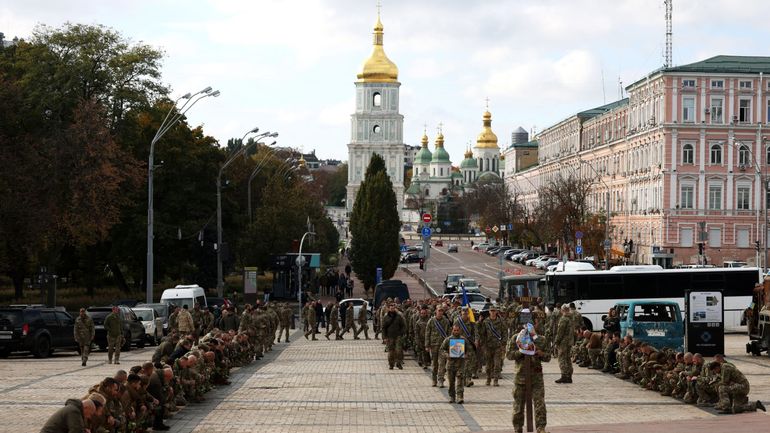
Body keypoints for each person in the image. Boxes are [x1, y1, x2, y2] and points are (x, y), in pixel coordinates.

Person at [507, 323, 551, 433]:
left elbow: (548, 357)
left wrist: (541, 354)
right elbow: (509, 355)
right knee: (518, 405)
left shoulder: (541, 340)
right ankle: (518, 428)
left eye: (531, 323)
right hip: (521, 376)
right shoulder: (516, 338)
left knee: (539, 404)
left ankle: (541, 428)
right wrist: (521, 351)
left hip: (536, 377)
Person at [478, 305, 506, 386]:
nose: (493, 312)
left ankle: (496, 380)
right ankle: (488, 378)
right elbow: (482, 333)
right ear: (489, 312)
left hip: (498, 346)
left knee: (497, 364)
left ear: (496, 312)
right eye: (491, 311)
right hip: (488, 346)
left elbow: (504, 332)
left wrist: (503, 343)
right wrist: (479, 323)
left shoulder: (500, 321)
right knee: (488, 365)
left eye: (494, 311)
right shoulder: (486, 322)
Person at [426, 307, 451, 387]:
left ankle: (440, 380)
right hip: (433, 345)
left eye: (441, 311)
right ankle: (434, 379)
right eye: (439, 311)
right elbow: (427, 333)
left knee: (442, 364)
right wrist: (427, 345)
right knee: (434, 364)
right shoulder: (431, 321)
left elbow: (448, 334)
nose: (440, 312)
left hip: (443, 346)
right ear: (436, 312)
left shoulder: (446, 321)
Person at [441, 324, 466, 404]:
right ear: (452, 330)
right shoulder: (448, 340)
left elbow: (469, 351)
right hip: (450, 364)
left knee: (460, 381)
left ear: (460, 330)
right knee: (451, 382)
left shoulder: (463, 340)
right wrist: (447, 355)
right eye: (454, 330)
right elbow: (442, 349)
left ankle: (460, 396)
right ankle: (452, 396)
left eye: (457, 330)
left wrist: (466, 355)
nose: (456, 332)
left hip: (460, 364)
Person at [381, 303, 406, 369]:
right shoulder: (386, 317)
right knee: (391, 352)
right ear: (389, 308)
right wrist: (384, 337)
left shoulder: (398, 316)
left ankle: (398, 363)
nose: (392, 309)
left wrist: (401, 333)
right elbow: (383, 328)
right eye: (391, 308)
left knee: (399, 350)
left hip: (398, 336)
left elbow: (403, 325)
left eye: (393, 308)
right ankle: (391, 364)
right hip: (389, 337)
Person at [554, 304, 574, 383]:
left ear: (562, 310)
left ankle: (564, 375)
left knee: (562, 358)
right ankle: (569, 375)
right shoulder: (571, 318)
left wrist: (556, 341)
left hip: (563, 341)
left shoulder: (564, 319)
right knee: (568, 358)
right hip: (569, 341)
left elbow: (560, 332)